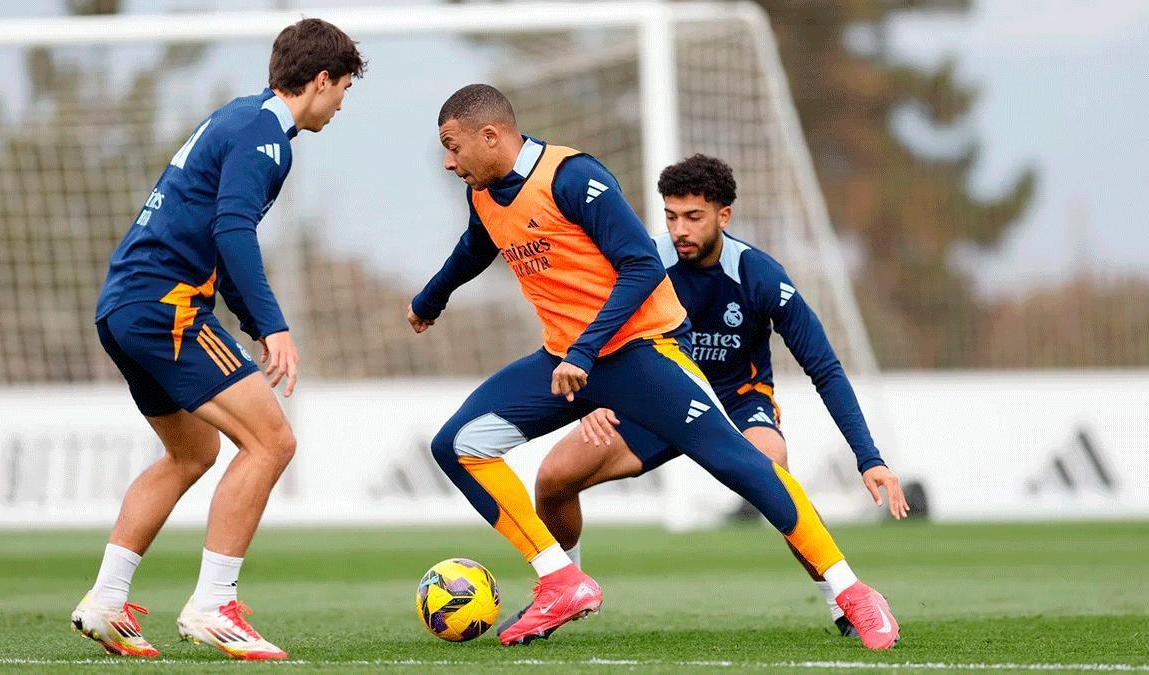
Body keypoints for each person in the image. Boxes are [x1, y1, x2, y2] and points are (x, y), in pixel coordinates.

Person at [408, 84, 901, 649]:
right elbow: (476, 248)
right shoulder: (483, 195)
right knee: (459, 445)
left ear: (490, 135)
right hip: (568, 360)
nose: (448, 162)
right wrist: (430, 299)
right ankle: (560, 581)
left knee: (748, 464)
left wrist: (584, 352)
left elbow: (641, 266)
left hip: (642, 352)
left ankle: (851, 593)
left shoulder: (572, 177)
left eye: (452, 147)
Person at [72, 18, 365, 660]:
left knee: (191, 453)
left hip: (124, 305)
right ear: (321, 80)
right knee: (272, 440)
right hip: (165, 308)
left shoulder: (239, 117)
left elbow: (219, 238)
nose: (342, 104)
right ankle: (213, 605)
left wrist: (255, 324)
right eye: (344, 89)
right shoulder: (267, 138)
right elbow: (233, 232)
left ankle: (106, 600)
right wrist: (276, 325)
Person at [526, 154, 909, 638]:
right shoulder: (643, 265)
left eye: (693, 217)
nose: (679, 230)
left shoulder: (760, 276)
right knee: (553, 479)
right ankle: (565, 592)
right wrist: (596, 398)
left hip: (736, 406)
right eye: (671, 216)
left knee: (773, 470)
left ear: (723, 215)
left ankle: (842, 601)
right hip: (654, 401)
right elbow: (591, 334)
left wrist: (868, 458)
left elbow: (825, 369)